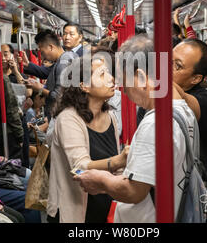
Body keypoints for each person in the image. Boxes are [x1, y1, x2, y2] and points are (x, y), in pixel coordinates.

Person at [75, 34, 196, 223]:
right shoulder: (183, 110)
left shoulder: (155, 124)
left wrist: (101, 181)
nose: (123, 90)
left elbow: (134, 191)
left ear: (140, 77)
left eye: (124, 81)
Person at [47, 54, 128, 223]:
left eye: (109, 73)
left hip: (105, 206)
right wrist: (119, 160)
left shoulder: (110, 116)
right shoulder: (68, 119)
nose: (111, 78)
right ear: (84, 86)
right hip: (75, 210)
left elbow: (117, 169)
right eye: (102, 74)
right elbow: (80, 167)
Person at [172, 39, 207, 197]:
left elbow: (183, 100)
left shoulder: (205, 101)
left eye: (177, 66)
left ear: (195, 79)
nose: (167, 68)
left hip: (196, 193)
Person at [24, 30, 78, 120]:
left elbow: (58, 96)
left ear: (50, 47)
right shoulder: (68, 57)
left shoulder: (63, 63)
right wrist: (28, 65)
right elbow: (47, 72)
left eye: (42, 52)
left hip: (61, 116)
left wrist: (40, 89)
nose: (43, 56)